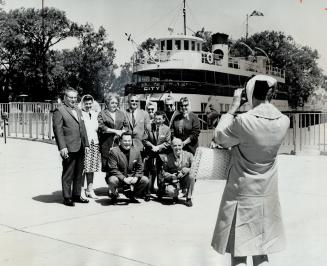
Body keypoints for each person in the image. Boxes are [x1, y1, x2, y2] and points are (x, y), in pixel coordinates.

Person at [211, 75, 290, 266]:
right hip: (267, 194)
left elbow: (220, 137)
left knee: (239, 253)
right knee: (262, 253)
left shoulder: (243, 121)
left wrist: (233, 108)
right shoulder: (284, 121)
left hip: (242, 195)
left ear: (250, 93)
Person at [53, 88, 89, 206]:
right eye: (71, 97)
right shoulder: (60, 110)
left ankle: (77, 195)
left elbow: (82, 129)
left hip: (81, 146)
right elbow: (58, 130)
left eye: (75, 97)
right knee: (68, 173)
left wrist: (87, 144)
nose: (73, 100)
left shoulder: (78, 110)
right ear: (65, 98)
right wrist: (62, 147)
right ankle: (67, 197)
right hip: (68, 147)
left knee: (79, 172)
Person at [107, 132, 150, 204]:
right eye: (125, 141)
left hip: (131, 177)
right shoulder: (114, 151)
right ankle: (114, 195)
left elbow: (140, 167)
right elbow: (113, 169)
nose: (127, 143)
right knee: (112, 180)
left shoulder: (136, 151)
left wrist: (136, 177)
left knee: (145, 180)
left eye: (129, 141)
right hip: (119, 177)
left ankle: (132, 195)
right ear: (120, 141)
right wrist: (124, 179)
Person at [98, 93, 128, 177]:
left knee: (119, 163)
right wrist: (115, 131)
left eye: (116, 103)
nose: (114, 105)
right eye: (112, 103)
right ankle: (111, 186)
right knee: (108, 164)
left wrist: (122, 132)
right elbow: (101, 126)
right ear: (107, 103)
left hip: (119, 142)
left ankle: (119, 184)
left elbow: (126, 126)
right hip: (106, 142)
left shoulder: (122, 114)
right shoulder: (102, 113)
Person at [159, 137, 195, 207]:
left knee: (192, 176)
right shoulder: (167, 158)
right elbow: (163, 173)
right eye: (175, 145)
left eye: (179, 145)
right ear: (171, 146)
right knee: (170, 191)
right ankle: (175, 196)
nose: (177, 148)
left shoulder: (189, 155)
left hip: (185, 180)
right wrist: (171, 176)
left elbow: (195, 168)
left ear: (182, 146)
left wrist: (187, 170)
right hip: (173, 181)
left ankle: (188, 198)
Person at [143, 111, 171, 195]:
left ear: (163, 119)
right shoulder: (148, 127)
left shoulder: (167, 129)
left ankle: (160, 190)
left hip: (161, 154)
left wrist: (158, 147)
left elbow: (168, 142)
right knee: (150, 172)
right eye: (156, 119)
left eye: (159, 119)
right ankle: (148, 191)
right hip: (150, 153)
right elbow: (144, 139)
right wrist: (152, 146)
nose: (157, 121)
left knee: (160, 172)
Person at [80, 94, 101, 199]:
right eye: (86, 103)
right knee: (83, 168)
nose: (88, 105)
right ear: (83, 104)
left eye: (90, 103)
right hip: (84, 144)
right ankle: (81, 190)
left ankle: (90, 190)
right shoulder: (80, 114)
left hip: (94, 143)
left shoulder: (95, 114)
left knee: (91, 168)